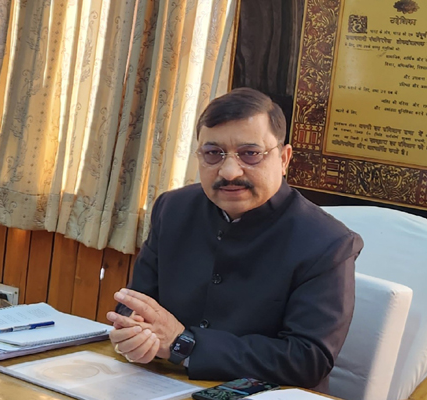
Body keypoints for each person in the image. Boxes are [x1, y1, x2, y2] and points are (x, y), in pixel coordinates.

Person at [107, 88, 362, 391]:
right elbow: (136, 304)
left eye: (250, 154)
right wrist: (135, 331)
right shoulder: (173, 209)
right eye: (213, 153)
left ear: (284, 159)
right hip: (158, 382)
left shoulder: (328, 242)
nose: (229, 172)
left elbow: (307, 359)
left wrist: (183, 344)